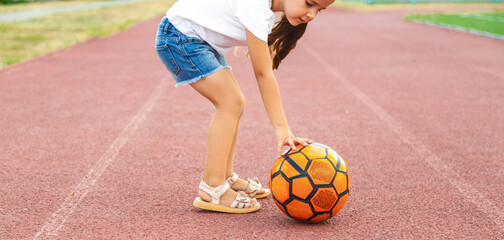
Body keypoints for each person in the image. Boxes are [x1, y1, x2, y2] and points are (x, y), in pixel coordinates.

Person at [155, 0, 333, 213]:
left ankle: (224, 177)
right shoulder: (256, 8)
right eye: (309, 3)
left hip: (193, 38)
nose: (311, 15)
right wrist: (282, 129)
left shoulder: (262, 11)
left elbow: (264, 68)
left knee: (235, 103)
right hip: (180, 38)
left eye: (319, 10)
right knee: (230, 103)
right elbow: (263, 73)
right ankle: (212, 187)